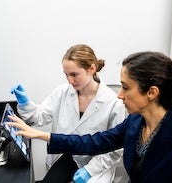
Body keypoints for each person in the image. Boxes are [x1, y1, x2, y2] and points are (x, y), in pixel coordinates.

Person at [8, 51, 172, 183]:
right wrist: (41, 135)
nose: (119, 94)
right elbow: (94, 142)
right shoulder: (136, 123)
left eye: (126, 87)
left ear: (151, 93)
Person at [10, 44, 129, 183]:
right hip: (66, 156)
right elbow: (38, 117)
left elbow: (115, 149)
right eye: (66, 75)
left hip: (95, 163)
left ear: (92, 68)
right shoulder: (62, 92)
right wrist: (25, 104)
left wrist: (89, 170)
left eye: (74, 75)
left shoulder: (113, 103)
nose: (69, 81)